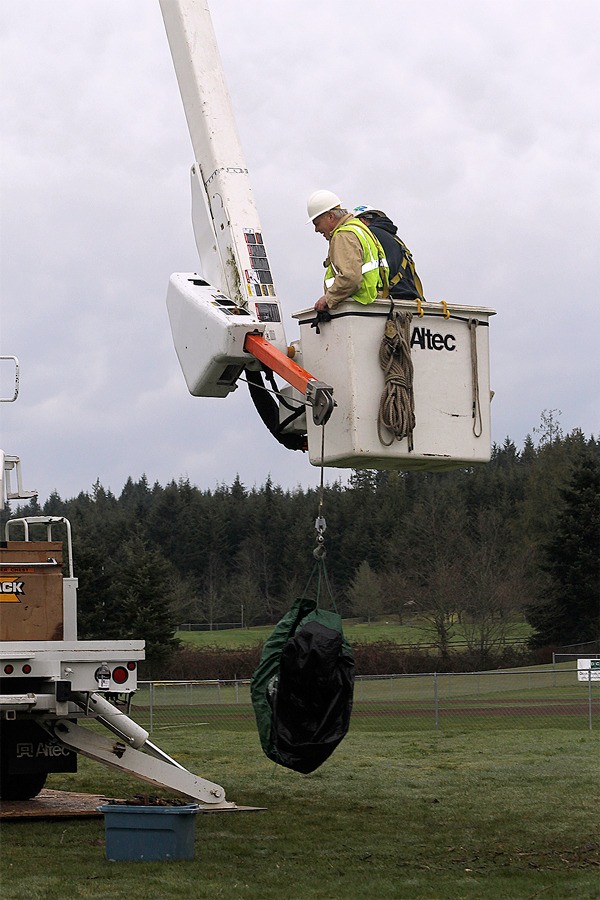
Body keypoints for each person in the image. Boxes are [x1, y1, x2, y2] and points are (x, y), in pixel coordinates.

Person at [306, 190, 389, 312]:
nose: (316, 229)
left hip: (357, 308)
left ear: (330, 216)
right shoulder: (360, 229)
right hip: (372, 304)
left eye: (317, 223)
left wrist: (328, 298)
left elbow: (350, 277)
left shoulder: (344, 235)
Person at [353, 205, 425, 302]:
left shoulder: (370, 235)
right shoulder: (395, 239)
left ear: (362, 221)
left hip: (391, 299)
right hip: (411, 298)